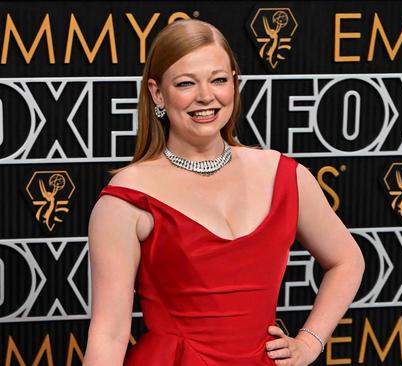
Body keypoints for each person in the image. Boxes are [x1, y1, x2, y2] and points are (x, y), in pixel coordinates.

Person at [83, 19, 364, 366]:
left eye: (218, 79)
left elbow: (348, 260)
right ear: (157, 93)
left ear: (234, 82)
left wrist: (309, 343)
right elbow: (109, 333)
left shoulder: (285, 176)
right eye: (186, 83)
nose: (205, 96)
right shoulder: (126, 199)